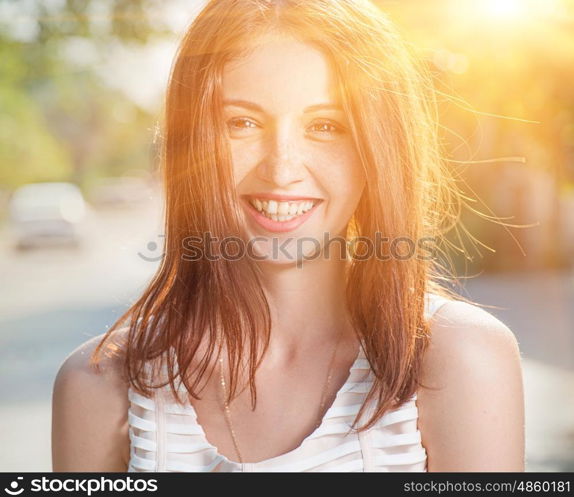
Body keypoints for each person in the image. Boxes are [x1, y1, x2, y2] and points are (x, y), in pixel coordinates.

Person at [52, 0, 525, 472]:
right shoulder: (97, 385)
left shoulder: (459, 359)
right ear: (190, 142)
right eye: (241, 123)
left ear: (377, 148)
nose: (281, 169)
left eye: (326, 126)